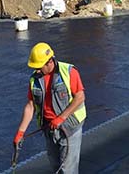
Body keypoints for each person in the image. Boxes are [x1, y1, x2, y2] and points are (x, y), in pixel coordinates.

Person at [14, 43, 86, 174]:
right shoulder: (34, 79)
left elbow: (80, 97)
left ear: (49, 62)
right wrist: (20, 132)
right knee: (55, 167)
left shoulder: (68, 72)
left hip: (69, 129)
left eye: (38, 67)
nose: (36, 70)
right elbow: (30, 106)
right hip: (49, 129)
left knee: (67, 170)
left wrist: (61, 118)